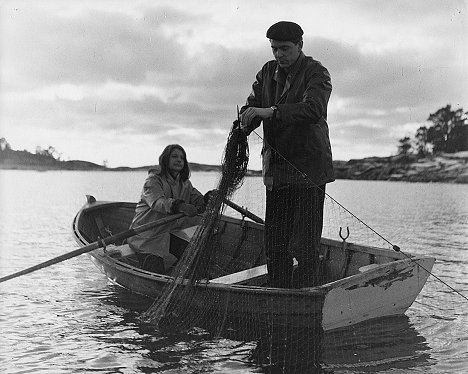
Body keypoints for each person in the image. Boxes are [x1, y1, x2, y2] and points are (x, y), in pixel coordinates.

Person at [238, 21, 334, 288]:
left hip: (309, 170)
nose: (278, 55)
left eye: (284, 48)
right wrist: (245, 121)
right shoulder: (267, 72)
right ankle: (279, 291)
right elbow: (253, 105)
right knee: (276, 241)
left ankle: (305, 293)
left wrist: (271, 112)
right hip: (277, 171)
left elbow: (313, 109)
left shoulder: (317, 72)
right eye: (274, 49)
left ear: (300, 45)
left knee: (305, 243)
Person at [127, 144, 210, 273]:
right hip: (147, 235)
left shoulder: (185, 183)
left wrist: (207, 199)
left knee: (194, 256)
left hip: (169, 232)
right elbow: (158, 202)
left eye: (182, 158)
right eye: (174, 156)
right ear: (165, 159)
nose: (179, 160)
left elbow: (197, 199)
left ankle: (180, 276)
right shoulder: (152, 181)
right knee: (155, 269)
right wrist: (180, 206)